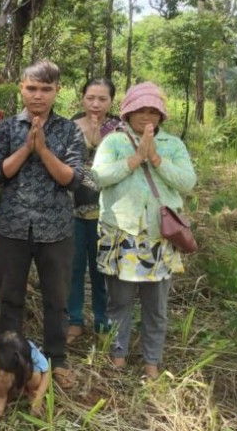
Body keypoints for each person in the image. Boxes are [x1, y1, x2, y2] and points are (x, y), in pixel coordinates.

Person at [0, 60, 84, 389]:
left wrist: (44, 151)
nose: (38, 96)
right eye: (31, 88)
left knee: (57, 298)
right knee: (10, 297)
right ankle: (8, 361)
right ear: (21, 89)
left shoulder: (70, 130)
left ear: (57, 91)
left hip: (55, 229)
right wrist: (27, 148)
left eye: (45, 89)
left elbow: (72, 179)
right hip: (14, 227)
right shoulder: (7, 128)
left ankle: (56, 359)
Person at [92, 82, 196, 379]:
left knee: (156, 306)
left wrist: (155, 159)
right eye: (140, 110)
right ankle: (118, 357)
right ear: (128, 112)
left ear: (162, 115)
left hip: (159, 238)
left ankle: (152, 361)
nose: (146, 116)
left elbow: (187, 182)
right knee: (119, 302)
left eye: (153, 111)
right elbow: (98, 177)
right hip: (122, 235)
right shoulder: (113, 142)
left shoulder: (173, 145)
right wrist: (135, 159)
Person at [66, 78, 122, 344]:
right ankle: (74, 320)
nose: (96, 104)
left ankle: (103, 322)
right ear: (82, 99)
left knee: (103, 271)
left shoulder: (120, 131)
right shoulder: (70, 127)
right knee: (74, 269)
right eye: (91, 98)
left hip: (108, 213)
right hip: (72, 211)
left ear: (112, 102)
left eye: (102, 99)